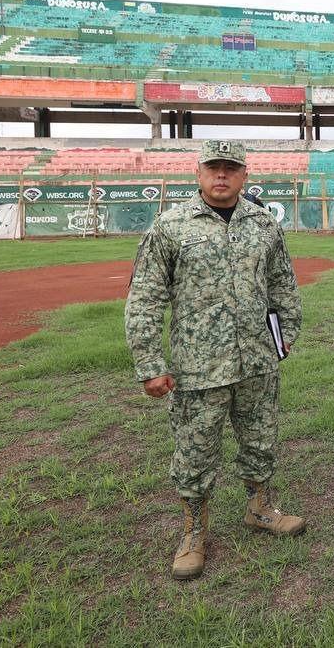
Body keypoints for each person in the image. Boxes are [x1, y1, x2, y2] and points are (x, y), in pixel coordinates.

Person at [125, 140, 305, 581]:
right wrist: (150, 364)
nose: (221, 175)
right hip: (198, 366)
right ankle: (193, 531)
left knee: (261, 439)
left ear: (244, 174)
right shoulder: (171, 226)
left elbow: (283, 285)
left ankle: (260, 508)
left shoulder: (264, 224)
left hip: (257, 362)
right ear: (199, 172)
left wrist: (284, 339)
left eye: (231, 168)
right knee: (195, 450)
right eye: (213, 167)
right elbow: (145, 296)